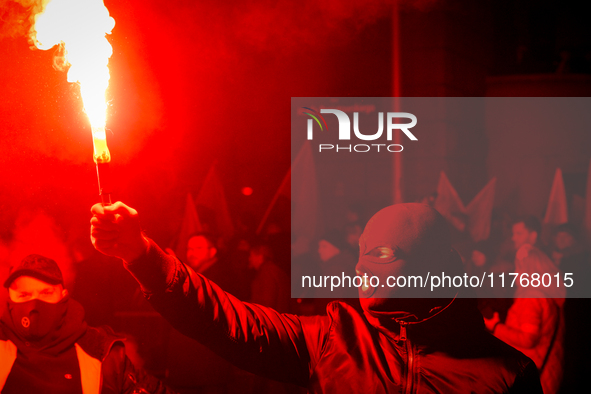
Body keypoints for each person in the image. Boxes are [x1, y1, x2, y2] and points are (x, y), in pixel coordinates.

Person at [91, 201, 543, 393]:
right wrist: (142, 253)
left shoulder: (506, 374)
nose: (360, 269)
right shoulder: (334, 339)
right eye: (361, 254)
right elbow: (226, 320)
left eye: (382, 254)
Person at [0, 254, 173, 394]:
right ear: (9, 300)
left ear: (63, 296)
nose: (34, 304)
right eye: (24, 295)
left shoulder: (101, 351)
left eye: (46, 293)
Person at [484, 216, 565, 394]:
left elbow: (528, 338)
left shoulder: (531, 296)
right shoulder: (544, 293)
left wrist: (495, 326)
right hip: (546, 370)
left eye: (519, 267)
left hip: (536, 376)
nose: (515, 272)